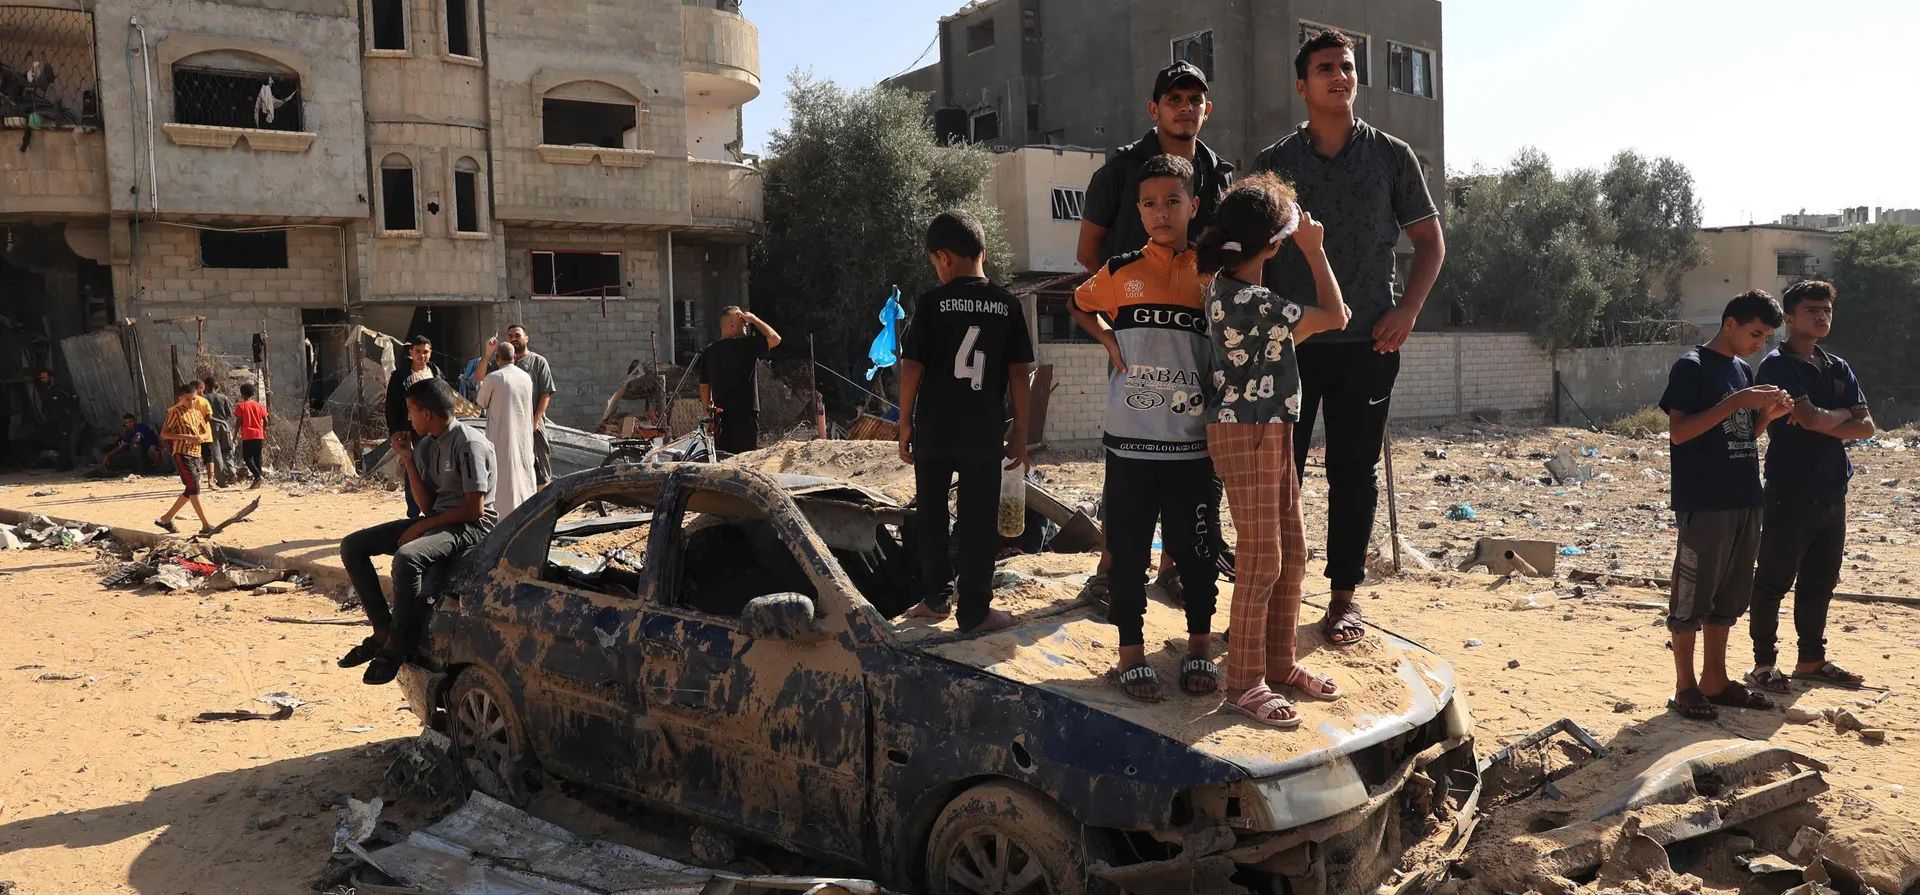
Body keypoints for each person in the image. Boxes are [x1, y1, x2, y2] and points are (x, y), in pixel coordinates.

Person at [1251, 29, 1446, 649]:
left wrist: (1408, 310)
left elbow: (1429, 243)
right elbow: (1251, 253)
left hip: (1369, 344)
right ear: (1301, 84)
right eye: (1325, 68)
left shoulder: (1392, 156)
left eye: (1347, 67)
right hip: (1293, 346)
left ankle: (1342, 599)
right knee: (1282, 478)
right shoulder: (1274, 164)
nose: (1339, 76)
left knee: (1353, 474)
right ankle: (1277, 595)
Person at [1196, 174, 1353, 726]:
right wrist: (1316, 251)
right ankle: (1243, 682)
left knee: (1293, 552)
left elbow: (1299, 334)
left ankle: (1279, 663)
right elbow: (1336, 316)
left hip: (1270, 428)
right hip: (1250, 430)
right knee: (1263, 560)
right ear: (1273, 243)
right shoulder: (1252, 299)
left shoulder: (1229, 289)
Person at [1078, 59, 1237, 599]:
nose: (1185, 108)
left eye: (1195, 100)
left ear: (1206, 109)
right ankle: (1113, 568)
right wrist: (1115, 321)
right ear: (1155, 108)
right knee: (1129, 452)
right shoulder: (1121, 170)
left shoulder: (1220, 173)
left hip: (1200, 341)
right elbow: (1087, 253)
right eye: (1175, 99)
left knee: (1196, 452)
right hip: (1136, 335)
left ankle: (1177, 564)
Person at [1071, 154, 1221, 702]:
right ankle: (1130, 654)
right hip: (1130, 444)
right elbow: (1078, 304)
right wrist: (1110, 340)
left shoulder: (1211, 275)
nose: (1162, 212)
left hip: (1193, 446)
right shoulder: (1120, 273)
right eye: (1150, 203)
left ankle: (1200, 647)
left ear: (1194, 206)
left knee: (1197, 549)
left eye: (1173, 201)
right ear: (1138, 209)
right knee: (1129, 551)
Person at [896, 210, 1035, 634]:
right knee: (977, 520)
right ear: (983, 253)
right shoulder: (1007, 305)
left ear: (942, 257)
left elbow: (911, 370)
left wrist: (904, 425)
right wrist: (1022, 433)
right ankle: (974, 611)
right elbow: (1019, 375)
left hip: (936, 427)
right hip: (982, 430)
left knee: (932, 515)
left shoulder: (931, 303)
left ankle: (936, 599)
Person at [1659, 290, 1794, 721]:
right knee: (1691, 597)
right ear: (1730, 323)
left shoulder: (1741, 370)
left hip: (1745, 497)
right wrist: (1737, 401)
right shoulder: (1692, 367)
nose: (1761, 343)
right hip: (1706, 500)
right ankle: (1685, 686)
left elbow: (1739, 435)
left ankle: (1714, 680)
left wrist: (1767, 415)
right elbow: (1681, 434)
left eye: (1768, 336)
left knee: (1729, 596)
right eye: (1756, 333)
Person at [1746, 281, 1875, 693]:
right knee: (1772, 580)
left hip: (1833, 488)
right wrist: (1839, 419)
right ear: (1789, 317)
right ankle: (1764, 664)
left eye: (1827, 310)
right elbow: (1825, 422)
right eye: (1812, 310)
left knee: (1820, 581)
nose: (1822, 317)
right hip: (1791, 488)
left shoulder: (1838, 367)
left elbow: (1867, 427)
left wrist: (1826, 415)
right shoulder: (1777, 365)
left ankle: (1811, 659)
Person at [338, 378, 496, 686]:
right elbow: (427, 506)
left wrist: (422, 528)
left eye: (411, 411)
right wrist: (408, 460)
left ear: (426, 412)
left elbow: (474, 510)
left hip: (471, 526)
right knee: (353, 546)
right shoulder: (427, 445)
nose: (408, 418)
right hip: (440, 519)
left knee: (407, 557)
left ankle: (399, 642)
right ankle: (382, 630)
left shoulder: (469, 443)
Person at [697, 307, 782, 456]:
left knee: (723, 459)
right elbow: (775, 338)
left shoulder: (709, 351)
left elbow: (704, 386)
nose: (746, 326)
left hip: (720, 416)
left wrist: (708, 413)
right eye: (743, 323)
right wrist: (754, 319)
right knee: (745, 459)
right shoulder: (746, 346)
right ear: (732, 325)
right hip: (745, 414)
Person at [477, 341, 537, 517]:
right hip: (523, 437)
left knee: (502, 478)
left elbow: (481, 402)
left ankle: (502, 518)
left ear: (497, 359)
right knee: (523, 475)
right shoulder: (526, 377)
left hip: (500, 437)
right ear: (515, 357)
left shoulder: (494, 378)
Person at [386, 335, 440, 517]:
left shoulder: (435, 373)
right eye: (418, 351)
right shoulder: (400, 376)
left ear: (430, 353)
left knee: (434, 470)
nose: (422, 356)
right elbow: (391, 405)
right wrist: (395, 431)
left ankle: (434, 512)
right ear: (411, 352)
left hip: (434, 431)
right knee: (413, 470)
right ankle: (414, 514)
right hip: (410, 431)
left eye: (425, 352)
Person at [155, 383, 215, 535]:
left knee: (190, 489)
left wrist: (200, 437)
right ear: (180, 398)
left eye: (194, 399)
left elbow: (205, 432)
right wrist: (185, 437)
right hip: (182, 453)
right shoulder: (175, 412)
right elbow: (164, 434)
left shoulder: (196, 413)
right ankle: (206, 524)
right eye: (188, 399)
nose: (192, 402)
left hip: (196, 453)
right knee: (194, 488)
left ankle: (166, 518)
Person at [505, 325, 559, 485]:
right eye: (510, 336)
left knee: (540, 464)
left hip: (532, 422)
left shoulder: (538, 362)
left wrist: (535, 420)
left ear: (526, 338)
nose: (514, 338)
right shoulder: (503, 363)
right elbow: (480, 377)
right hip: (511, 423)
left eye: (517, 335)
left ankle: (544, 503)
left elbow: (546, 393)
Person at [202, 376, 238, 487]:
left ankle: (222, 480)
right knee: (227, 450)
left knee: (216, 453)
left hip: (211, 427)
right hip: (225, 426)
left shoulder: (203, 398)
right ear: (216, 386)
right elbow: (229, 414)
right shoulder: (224, 397)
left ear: (206, 386)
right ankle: (232, 472)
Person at [235, 383, 269, 489]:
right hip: (259, 435)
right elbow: (266, 420)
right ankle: (258, 479)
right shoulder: (259, 406)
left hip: (248, 435)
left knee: (247, 457)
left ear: (242, 394)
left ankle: (258, 476)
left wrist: (235, 433)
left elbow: (239, 421)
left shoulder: (241, 406)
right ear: (253, 393)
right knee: (257, 457)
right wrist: (263, 431)